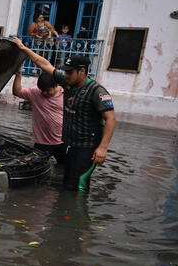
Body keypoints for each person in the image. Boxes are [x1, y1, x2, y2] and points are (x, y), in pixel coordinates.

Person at [13, 38, 116, 192]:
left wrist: (103, 148)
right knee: (67, 184)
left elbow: (111, 119)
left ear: (81, 71)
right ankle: (65, 213)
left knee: (78, 187)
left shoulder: (97, 91)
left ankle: (77, 214)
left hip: (87, 147)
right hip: (70, 145)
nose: (66, 74)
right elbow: (44, 64)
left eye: (69, 72)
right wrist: (23, 48)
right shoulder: (68, 83)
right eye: (65, 71)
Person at [13, 70, 65, 164]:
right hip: (42, 143)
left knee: (64, 168)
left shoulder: (65, 94)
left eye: (48, 90)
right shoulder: (35, 92)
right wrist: (18, 74)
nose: (44, 93)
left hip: (62, 142)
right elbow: (17, 92)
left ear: (56, 85)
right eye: (42, 90)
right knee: (36, 166)